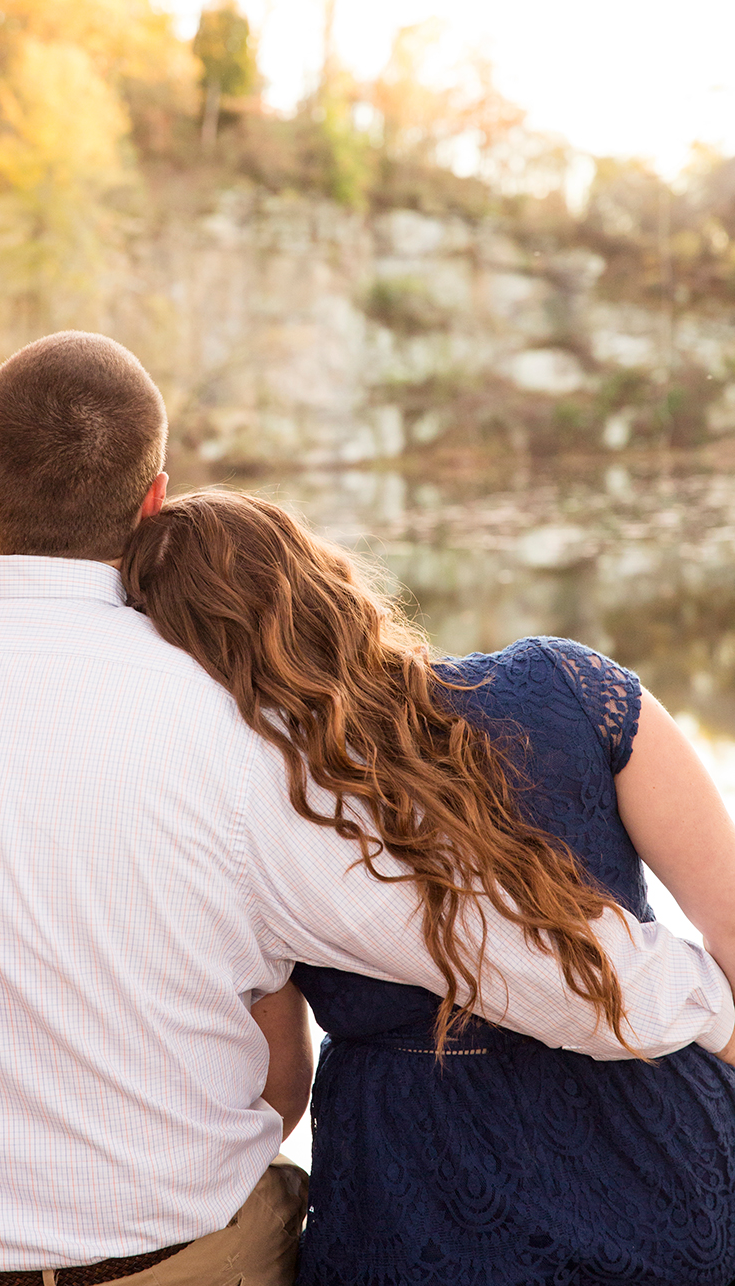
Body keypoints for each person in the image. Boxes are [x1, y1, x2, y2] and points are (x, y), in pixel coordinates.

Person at [0, 334, 735, 1286]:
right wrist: (699, 1008)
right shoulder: (228, 731)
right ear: (150, 502)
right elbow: (479, 938)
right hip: (139, 1270)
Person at [119, 489, 735, 1286]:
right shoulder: (573, 687)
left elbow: (279, 1085)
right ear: (325, 578)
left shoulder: (251, 804)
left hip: (417, 1190)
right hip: (659, 1140)